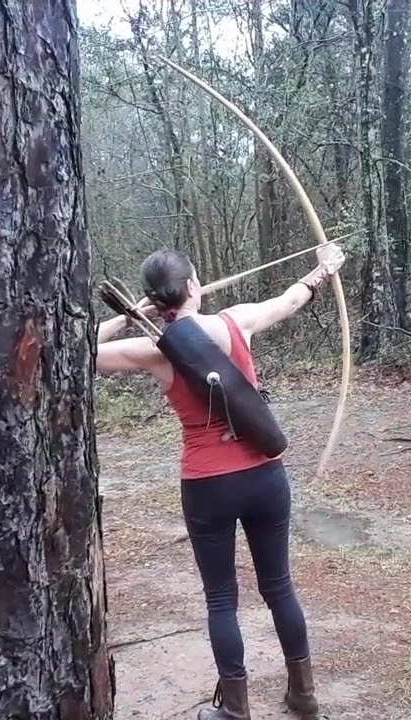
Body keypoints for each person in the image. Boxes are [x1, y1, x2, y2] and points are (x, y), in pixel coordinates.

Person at [95, 243, 346, 720]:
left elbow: (78, 348)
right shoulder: (236, 321)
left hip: (208, 485)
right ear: (193, 286)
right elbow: (294, 299)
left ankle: (235, 709)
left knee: (222, 598)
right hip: (263, 478)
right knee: (280, 588)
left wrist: (131, 316)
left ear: (156, 300)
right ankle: (305, 696)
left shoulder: (153, 350)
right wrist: (323, 269)